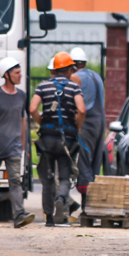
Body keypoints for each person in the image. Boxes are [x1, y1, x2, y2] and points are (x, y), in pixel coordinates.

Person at [30, 51, 85, 226]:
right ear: (69, 70)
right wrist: (76, 126)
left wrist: (42, 122)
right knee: (64, 176)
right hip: (66, 140)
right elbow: (82, 110)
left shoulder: (42, 86)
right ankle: (61, 199)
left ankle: (49, 218)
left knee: (47, 178)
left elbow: (32, 108)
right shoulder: (74, 87)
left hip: (47, 138)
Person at [0, 57, 33, 228]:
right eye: (17, 73)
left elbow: (23, 119)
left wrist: (24, 140)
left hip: (14, 145)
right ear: (7, 75)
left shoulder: (22, 96)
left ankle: (19, 215)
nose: (20, 75)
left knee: (15, 180)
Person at [69, 47, 105, 216]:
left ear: (73, 65)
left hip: (88, 122)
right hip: (101, 122)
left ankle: (87, 208)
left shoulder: (75, 77)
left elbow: (76, 105)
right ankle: (94, 207)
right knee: (95, 163)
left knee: (84, 162)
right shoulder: (96, 75)